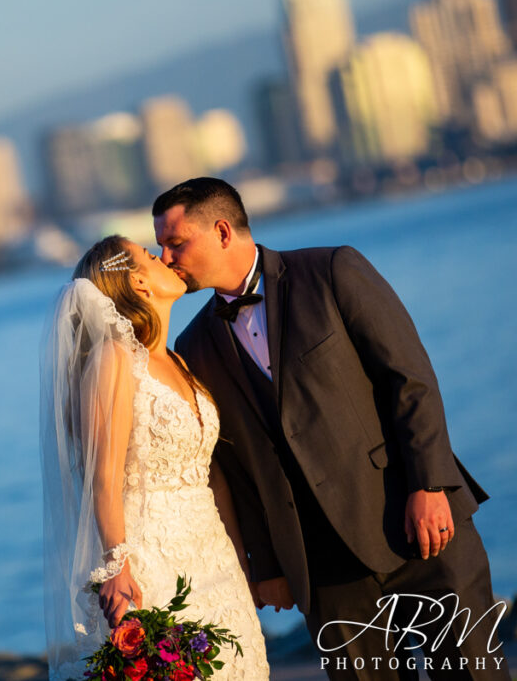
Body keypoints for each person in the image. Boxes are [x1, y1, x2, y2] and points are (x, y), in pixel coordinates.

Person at [155, 177, 509, 680]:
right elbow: (235, 467)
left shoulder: (331, 270)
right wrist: (269, 566)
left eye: (175, 243)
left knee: (474, 674)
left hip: (420, 525)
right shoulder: (194, 346)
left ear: (221, 231)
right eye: (161, 247)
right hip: (323, 566)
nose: (165, 258)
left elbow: (410, 380)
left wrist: (430, 486)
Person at [40, 235, 270, 681]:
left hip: (214, 559)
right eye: (150, 255)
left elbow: (209, 476)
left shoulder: (181, 362)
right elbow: (102, 476)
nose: (166, 258)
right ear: (139, 284)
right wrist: (116, 566)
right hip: (152, 561)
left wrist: (242, 564)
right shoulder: (115, 359)